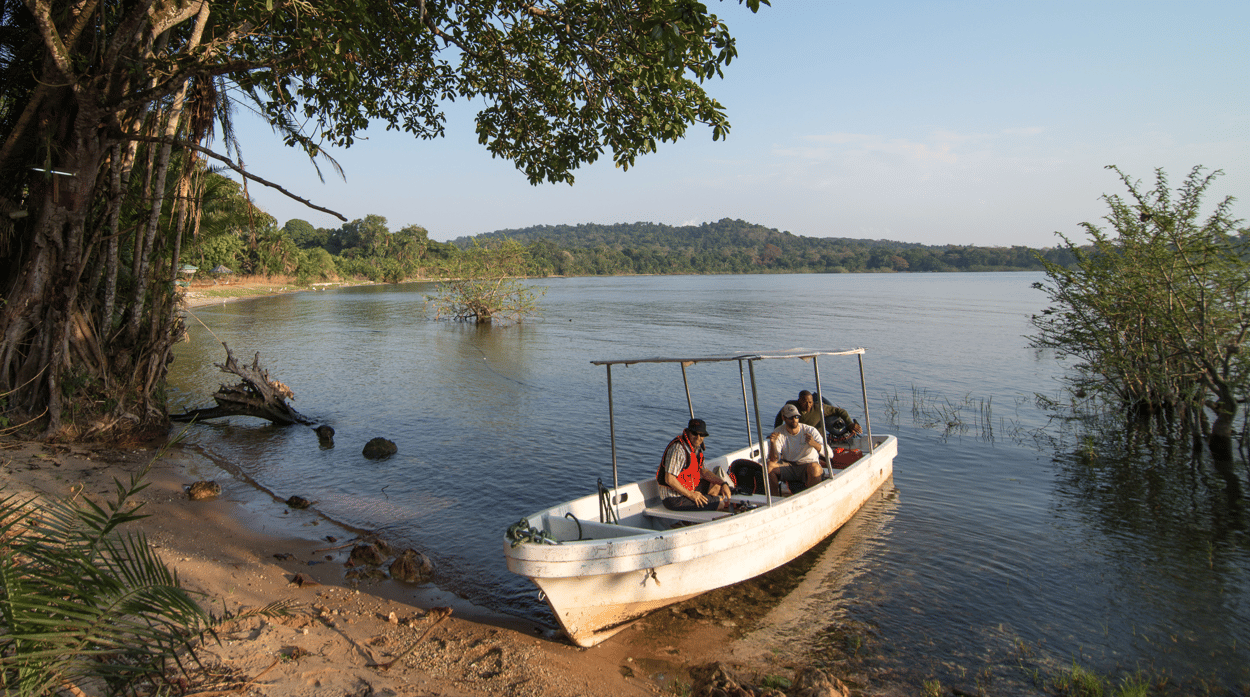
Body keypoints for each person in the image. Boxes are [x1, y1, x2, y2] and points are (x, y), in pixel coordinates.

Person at [657, 418, 733, 511]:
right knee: (719, 503)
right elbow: (669, 479)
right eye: (694, 433)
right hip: (674, 498)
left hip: (690, 488)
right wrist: (691, 495)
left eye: (701, 435)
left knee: (717, 486)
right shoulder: (678, 449)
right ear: (688, 432)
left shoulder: (696, 448)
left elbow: (704, 472)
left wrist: (723, 483)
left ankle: (705, 508)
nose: (698, 437)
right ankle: (709, 509)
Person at [766, 403, 825, 494]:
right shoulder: (779, 431)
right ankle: (775, 499)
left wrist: (814, 444)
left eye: (796, 417)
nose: (794, 420)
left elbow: (830, 453)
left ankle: (812, 496)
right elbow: (774, 459)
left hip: (807, 464)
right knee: (769, 466)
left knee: (815, 468)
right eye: (790, 417)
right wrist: (773, 443)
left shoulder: (810, 430)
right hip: (789, 465)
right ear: (784, 418)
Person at [773, 390, 862, 441]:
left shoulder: (819, 408)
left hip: (815, 439)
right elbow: (780, 416)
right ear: (799, 400)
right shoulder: (791, 406)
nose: (808, 405)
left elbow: (840, 411)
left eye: (810, 402)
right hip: (796, 438)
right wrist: (777, 431)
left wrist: (850, 423)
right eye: (804, 402)